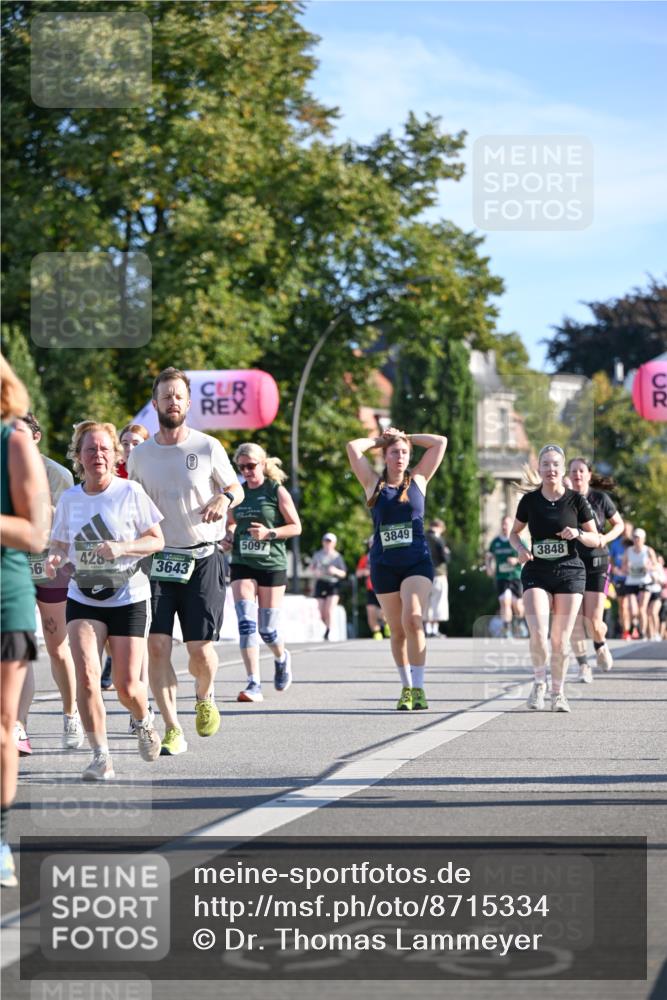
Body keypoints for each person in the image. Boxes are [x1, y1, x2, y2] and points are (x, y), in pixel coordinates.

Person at [127, 367, 243, 756]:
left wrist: (223, 499)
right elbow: (132, 506)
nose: (173, 401)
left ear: (188, 403)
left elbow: (235, 488)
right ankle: (172, 727)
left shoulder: (207, 447)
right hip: (158, 561)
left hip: (203, 557)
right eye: (166, 395)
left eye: (179, 395)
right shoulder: (140, 456)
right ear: (156, 402)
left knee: (200, 649)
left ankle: (205, 695)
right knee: (157, 646)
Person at [45, 421, 164, 780]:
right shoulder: (70, 499)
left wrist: (123, 547)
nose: (97, 455)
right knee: (87, 678)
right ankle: (101, 757)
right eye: (89, 449)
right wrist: (54, 558)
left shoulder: (130, 493)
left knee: (128, 686)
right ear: (79, 457)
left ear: (115, 455)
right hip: (83, 595)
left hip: (129, 595)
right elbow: (61, 544)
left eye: (103, 449)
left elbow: (156, 539)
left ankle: (143, 720)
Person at [346, 426, 447, 710]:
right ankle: (405, 687)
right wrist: (382, 439)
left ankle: (419, 688)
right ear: (385, 456)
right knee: (397, 630)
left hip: (417, 562)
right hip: (384, 565)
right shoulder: (373, 484)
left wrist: (406, 436)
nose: (400, 457)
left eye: (404, 453)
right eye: (394, 452)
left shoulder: (419, 480)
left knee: (413, 619)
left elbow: (440, 441)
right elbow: (353, 447)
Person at [1, 356, 50, 886]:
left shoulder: (13, 440)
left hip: (3, 597)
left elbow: (35, 533)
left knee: (1, 727)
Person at [509, 444, 600, 714]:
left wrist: (578, 534)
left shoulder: (576, 501)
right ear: (539, 468)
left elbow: (596, 538)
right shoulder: (530, 501)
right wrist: (521, 549)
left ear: (563, 471)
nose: (551, 469)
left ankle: (558, 693)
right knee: (538, 632)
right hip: (537, 571)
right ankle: (539, 683)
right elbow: (515, 533)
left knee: (559, 639)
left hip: (570, 572)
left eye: (555, 465)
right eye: (546, 464)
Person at [12, 413, 83, 755]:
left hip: (52, 565)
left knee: (57, 648)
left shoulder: (57, 473)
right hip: (14, 565)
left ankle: (70, 714)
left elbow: (64, 523)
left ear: (36, 436)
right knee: (19, 648)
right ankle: (19, 727)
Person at [221, 443, 302, 702]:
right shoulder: (238, 493)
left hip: (271, 563)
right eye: (241, 467)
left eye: (251, 466)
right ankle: (253, 682)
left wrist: (270, 533)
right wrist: (229, 535)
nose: (246, 471)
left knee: (267, 629)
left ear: (263, 464)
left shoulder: (275, 491)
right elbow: (231, 522)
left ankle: (281, 657)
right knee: (246, 623)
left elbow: (296, 527)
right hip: (242, 561)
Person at [568, 457, 624, 681]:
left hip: (596, 562)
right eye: (573, 471)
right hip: (570, 564)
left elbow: (618, 524)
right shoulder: (564, 499)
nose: (577, 475)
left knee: (593, 622)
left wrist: (604, 538)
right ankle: (583, 665)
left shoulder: (600, 499)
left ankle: (600, 644)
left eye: (581, 471)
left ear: (589, 475)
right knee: (573, 620)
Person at [485, 515, 524, 639]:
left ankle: (519, 623)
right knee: (504, 601)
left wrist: (516, 560)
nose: (504, 526)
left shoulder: (518, 540)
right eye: (503, 524)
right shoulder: (496, 542)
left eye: (507, 524)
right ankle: (506, 628)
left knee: (517, 605)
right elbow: (489, 556)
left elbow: (528, 556)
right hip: (501, 577)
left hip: (516, 577)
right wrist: (489, 567)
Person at [310, 534, 347, 640]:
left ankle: (328, 632)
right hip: (321, 583)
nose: (327, 543)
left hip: (333, 584)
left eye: (330, 541)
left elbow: (344, 573)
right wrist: (315, 572)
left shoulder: (337, 557)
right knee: (321, 612)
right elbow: (312, 568)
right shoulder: (318, 555)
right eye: (326, 541)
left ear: (334, 543)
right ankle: (327, 627)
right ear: (323, 542)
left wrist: (335, 571)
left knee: (329, 610)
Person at [622, 528, 657, 640]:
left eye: (638, 537)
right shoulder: (628, 551)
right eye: (635, 537)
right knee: (633, 610)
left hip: (644, 582)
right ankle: (636, 627)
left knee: (642, 609)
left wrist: (649, 567)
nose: (636, 539)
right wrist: (627, 569)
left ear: (643, 539)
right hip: (631, 582)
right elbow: (623, 566)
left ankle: (643, 633)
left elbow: (656, 565)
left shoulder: (648, 550)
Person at [356, 539, 390, 640]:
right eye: (370, 543)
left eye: (373, 543)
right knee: (370, 612)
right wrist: (365, 572)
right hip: (371, 588)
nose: (372, 545)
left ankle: (388, 625)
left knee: (383, 612)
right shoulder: (365, 558)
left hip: (384, 587)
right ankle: (376, 632)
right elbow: (358, 573)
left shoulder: (385, 554)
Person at [424, 519, 450, 637]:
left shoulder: (422, 538)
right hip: (438, 574)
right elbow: (445, 558)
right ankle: (434, 629)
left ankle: (427, 629)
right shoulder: (439, 539)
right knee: (438, 602)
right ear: (440, 527)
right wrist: (447, 552)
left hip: (424, 574)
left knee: (426, 603)